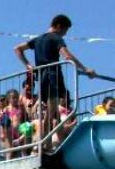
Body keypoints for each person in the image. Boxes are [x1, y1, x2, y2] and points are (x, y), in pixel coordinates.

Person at [14, 14, 96, 150]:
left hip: (43, 78)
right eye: (65, 30)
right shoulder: (55, 37)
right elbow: (67, 56)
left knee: (52, 112)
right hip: (53, 76)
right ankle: (45, 144)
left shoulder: (38, 39)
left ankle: (48, 142)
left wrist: (27, 64)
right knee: (51, 113)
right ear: (58, 26)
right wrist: (85, 69)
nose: (65, 34)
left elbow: (17, 48)